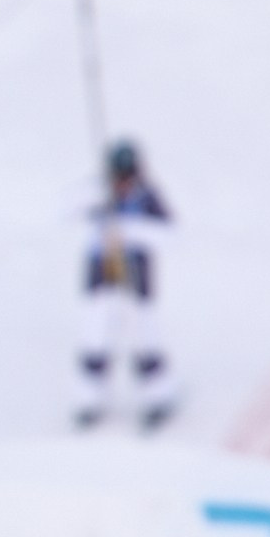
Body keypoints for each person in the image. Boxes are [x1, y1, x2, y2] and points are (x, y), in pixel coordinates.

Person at [76, 139, 179, 431]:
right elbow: (63, 212)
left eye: (128, 177)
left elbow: (170, 234)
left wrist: (131, 231)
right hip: (101, 281)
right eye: (117, 178)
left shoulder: (148, 197)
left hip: (137, 281)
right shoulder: (95, 194)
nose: (122, 184)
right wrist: (94, 203)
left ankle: (157, 398)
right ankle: (88, 401)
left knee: (145, 341)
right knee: (95, 340)